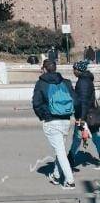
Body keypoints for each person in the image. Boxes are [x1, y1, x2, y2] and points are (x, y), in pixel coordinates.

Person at [32, 58, 76, 188]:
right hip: (66, 120)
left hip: (51, 121)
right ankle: (56, 176)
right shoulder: (66, 82)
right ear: (55, 68)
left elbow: (36, 103)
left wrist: (43, 116)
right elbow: (75, 100)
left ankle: (69, 181)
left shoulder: (41, 83)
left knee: (60, 151)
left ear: (44, 69)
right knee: (60, 148)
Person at [68, 60, 100, 170]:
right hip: (90, 115)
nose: (73, 71)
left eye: (74, 69)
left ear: (79, 70)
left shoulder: (83, 82)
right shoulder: (85, 80)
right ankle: (70, 159)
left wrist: (81, 118)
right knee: (96, 137)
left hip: (85, 116)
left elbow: (84, 102)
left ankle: (69, 160)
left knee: (77, 138)